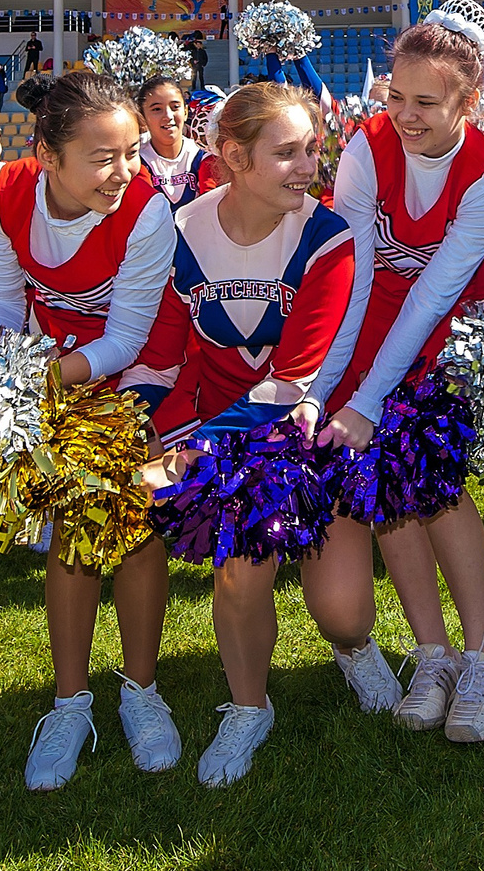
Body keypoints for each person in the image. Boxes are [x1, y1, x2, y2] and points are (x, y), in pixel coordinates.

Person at [118, 81, 355, 784]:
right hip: (222, 429)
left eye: (312, 150)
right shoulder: (179, 232)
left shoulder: (327, 236)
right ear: (233, 156)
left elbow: (293, 379)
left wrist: (191, 453)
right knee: (241, 566)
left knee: (345, 616)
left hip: (309, 430)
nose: (308, 167)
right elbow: (159, 359)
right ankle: (250, 706)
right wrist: (134, 431)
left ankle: (354, 648)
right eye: (287, 154)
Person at [312, 0, 484, 743]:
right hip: (367, 320)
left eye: (426, 103)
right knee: (382, 483)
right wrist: (326, 389)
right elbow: (357, 275)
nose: (405, 114)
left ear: (470, 101)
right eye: (396, 96)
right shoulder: (367, 147)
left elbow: (434, 296)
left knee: (434, 482)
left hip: (444, 331)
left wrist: (371, 399)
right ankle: (433, 653)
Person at [0, 70, 183, 792]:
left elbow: (127, 339)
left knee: (134, 522)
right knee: (72, 525)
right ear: (46, 155)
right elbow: (5, 303)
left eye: (131, 152)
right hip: (56, 367)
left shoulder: (147, 213)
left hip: (143, 367)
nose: (124, 171)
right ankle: (69, 703)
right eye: (102, 158)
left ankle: (141, 689)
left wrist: (29, 382)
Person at [138, 73, 221, 209]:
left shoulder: (203, 154)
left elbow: (211, 205)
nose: (168, 116)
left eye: (175, 107)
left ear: (186, 112)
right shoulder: (136, 159)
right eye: (157, 109)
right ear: (142, 117)